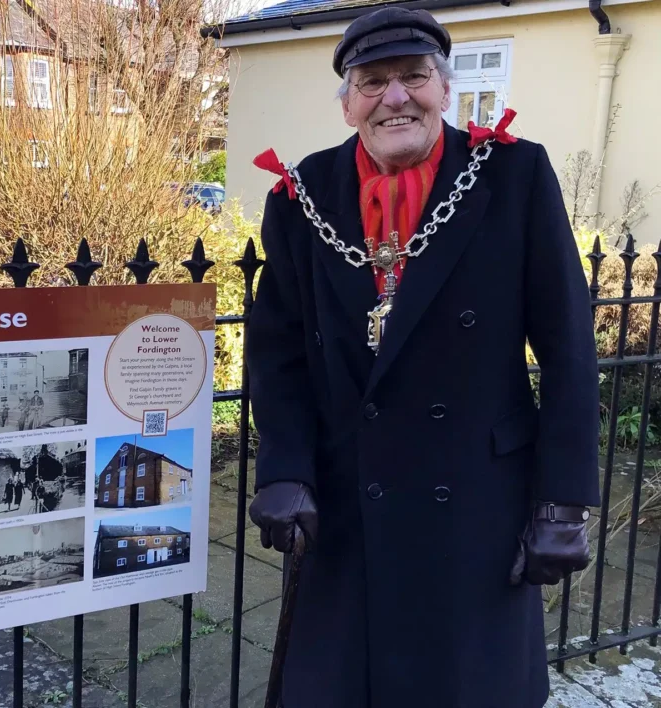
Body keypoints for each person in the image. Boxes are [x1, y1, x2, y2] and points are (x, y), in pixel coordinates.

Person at [245, 7, 599, 708]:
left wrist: (563, 499)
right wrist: (284, 467)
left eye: (414, 77)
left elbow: (567, 346)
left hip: (475, 499)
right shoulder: (301, 195)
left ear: (445, 89)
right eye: (372, 82)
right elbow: (277, 350)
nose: (395, 97)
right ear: (348, 104)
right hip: (348, 498)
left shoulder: (515, 174)